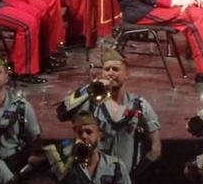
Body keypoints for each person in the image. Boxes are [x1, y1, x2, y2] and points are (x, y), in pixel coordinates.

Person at [57, 47, 162, 176]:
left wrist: (133, 179)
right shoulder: (90, 103)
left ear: (127, 74)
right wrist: (89, 88)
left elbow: (156, 149)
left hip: (130, 181)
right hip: (96, 181)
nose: (110, 73)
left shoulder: (140, 105)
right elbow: (62, 113)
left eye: (116, 69)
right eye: (106, 69)